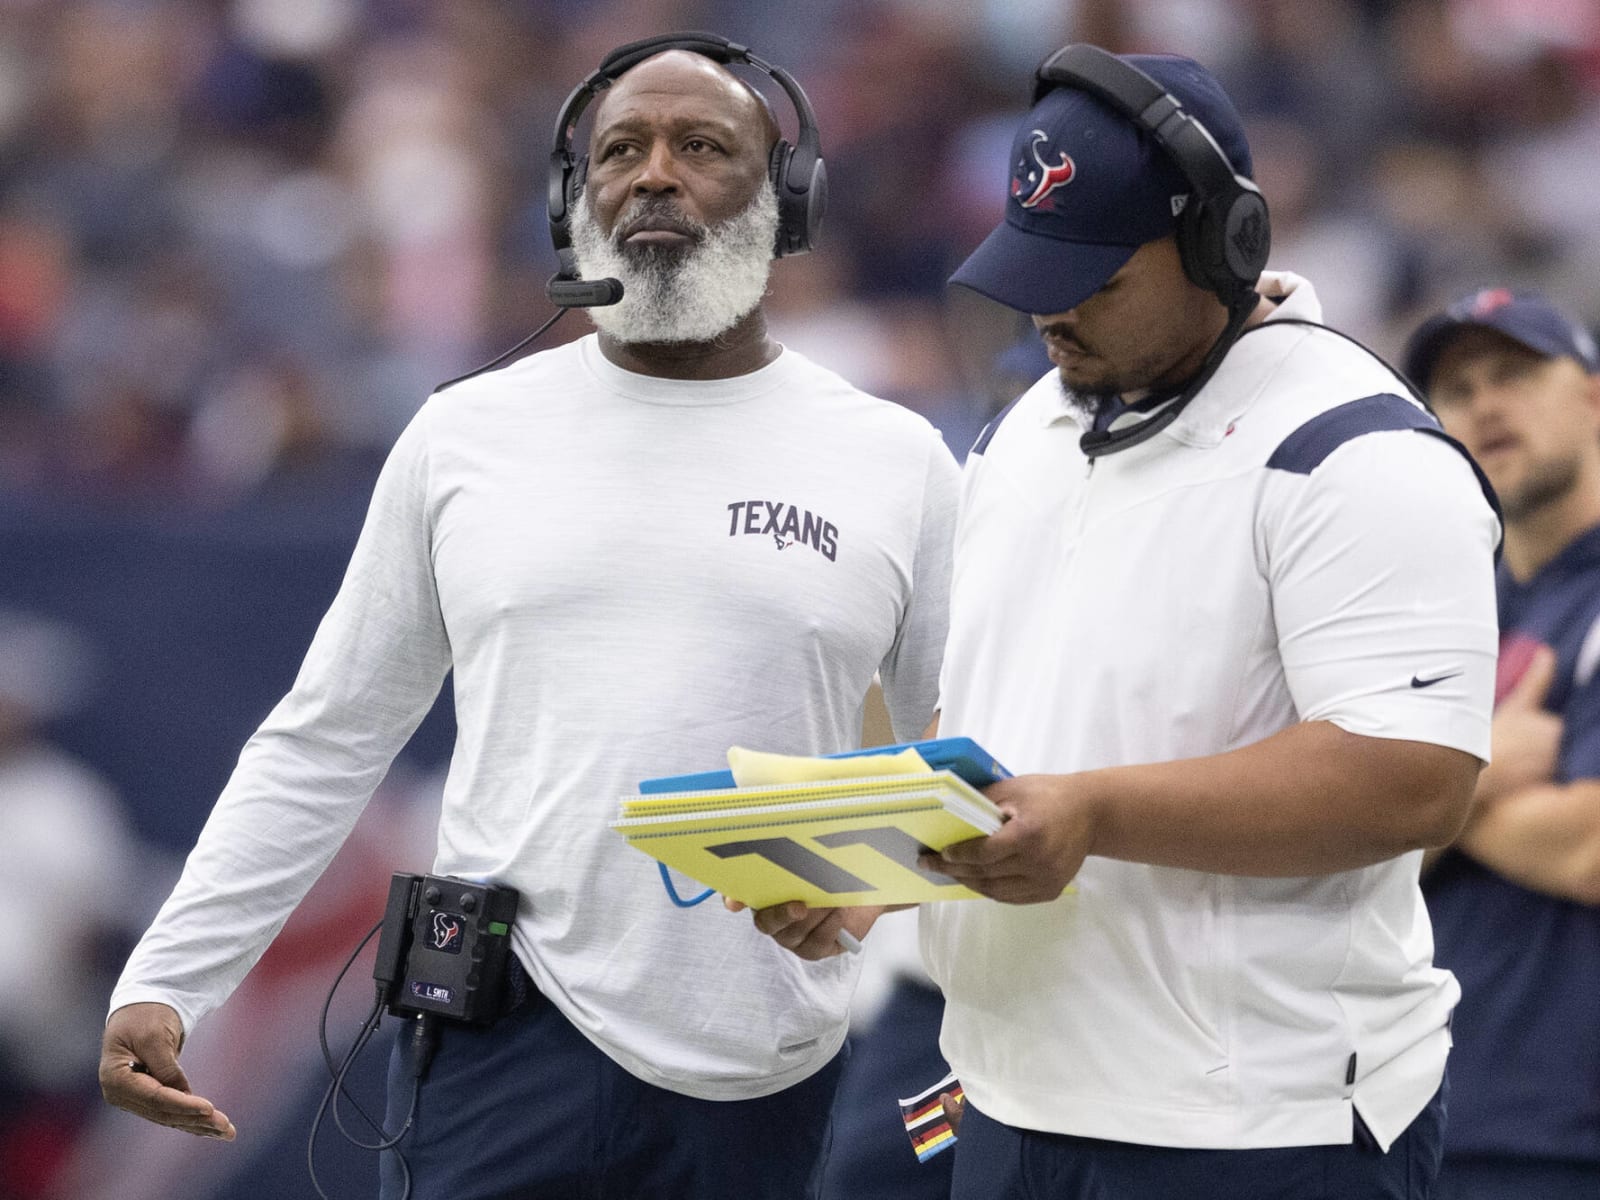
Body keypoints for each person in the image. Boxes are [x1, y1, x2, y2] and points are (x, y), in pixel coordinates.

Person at [96, 36, 959, 1200]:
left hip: (771, 1066)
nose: (652, 174)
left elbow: (960, 762)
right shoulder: (464, 438)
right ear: (572, 201)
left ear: (785, 203)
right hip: (498, 1049)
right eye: (618, 151)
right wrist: (168, 978)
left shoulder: (895, 460)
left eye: (700, 146)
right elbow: (328, 736)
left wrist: (865, 882)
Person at [749, 46, 1500, 1200]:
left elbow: (1412, 779)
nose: (1050, 312)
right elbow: (997, 713)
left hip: (1261, 1127)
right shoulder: (1023, 436)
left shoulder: (1354, 452)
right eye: (1035, 272)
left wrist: (1093, 814)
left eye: (1094, 279)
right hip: (1002, 1102)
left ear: (1221, 243)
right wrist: (877, 863)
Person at [1401, 288, 1600, 1200]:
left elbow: (1591, 848)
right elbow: (1328, 857)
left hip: (1564, 1131)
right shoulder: (1435, 614)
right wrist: (1485, 773)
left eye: (1516, 373)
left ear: (1592, 394)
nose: (1484, 404)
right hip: (1418, 1115)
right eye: (1457, 388)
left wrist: (1424, 792)